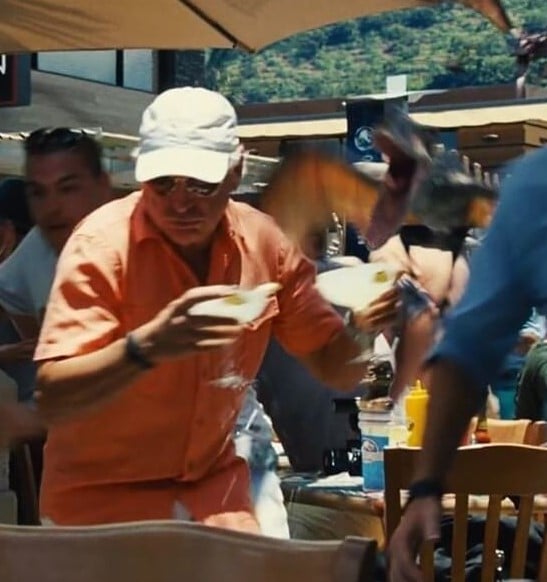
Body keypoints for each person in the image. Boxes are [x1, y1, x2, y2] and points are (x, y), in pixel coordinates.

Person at [33, 87, 400, 532]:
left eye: (201, 183)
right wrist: (147, 347)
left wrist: (362, 326)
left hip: (214, 495)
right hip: (101, 505)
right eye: (162, 183)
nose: (180, 202)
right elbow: (52, 398)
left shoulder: (266, 244)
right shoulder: (100, 246)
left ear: (236, 171)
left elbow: (334, 367)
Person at [388, 147, 547, 581]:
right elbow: (466, 350)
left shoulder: (533, 186)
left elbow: (466, 349)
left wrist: (425, 487)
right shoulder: (534, 188)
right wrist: (426, 486)